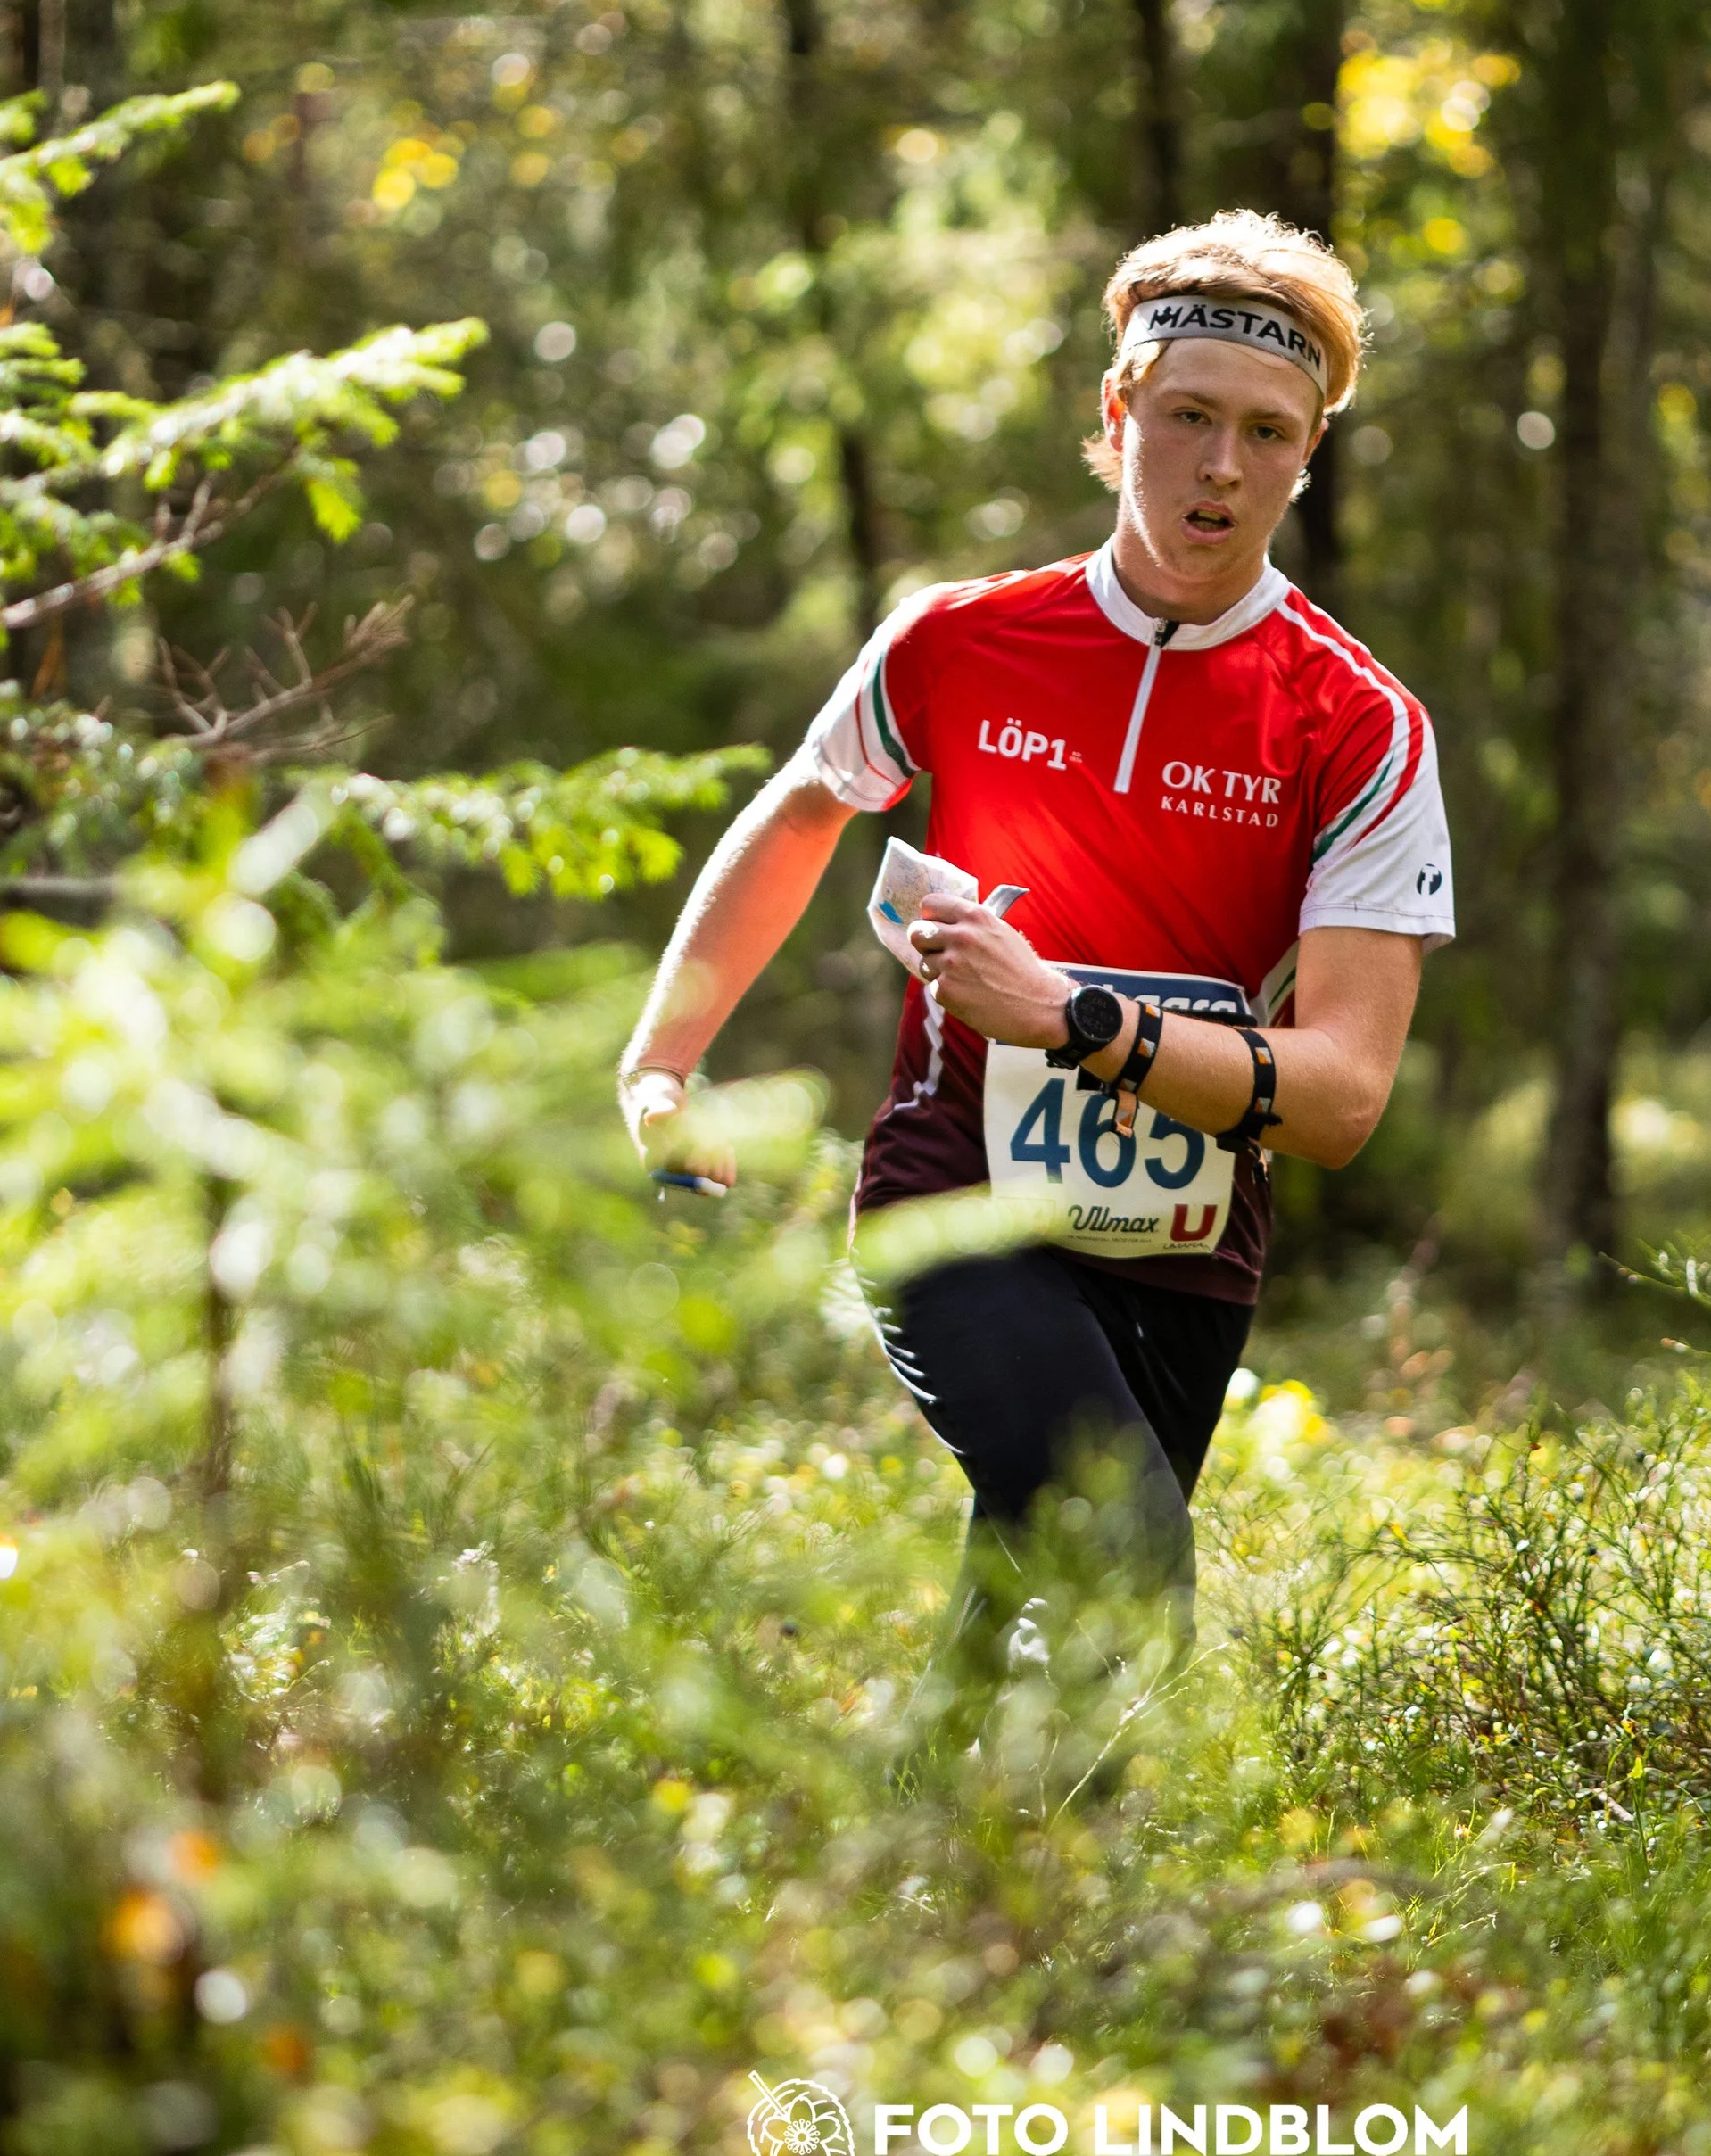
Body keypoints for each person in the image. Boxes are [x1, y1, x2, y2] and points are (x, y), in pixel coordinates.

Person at [616, 208, 1455, 1732]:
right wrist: (662, 1062)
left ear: (1308, 458)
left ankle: (925, 1855)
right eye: (1187, 415)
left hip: (1188, 1239)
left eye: (1266, 433)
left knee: (1033, 1647)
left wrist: (1068, 1016)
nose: (1219, 466)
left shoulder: (1357, 724)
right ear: (1116, 413)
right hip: (954, 1196)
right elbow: (803, 811)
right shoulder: (958, 640)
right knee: (1127, 1570)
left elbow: (1340, 1099)